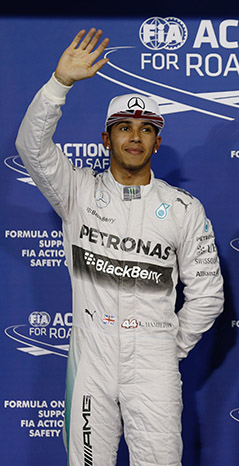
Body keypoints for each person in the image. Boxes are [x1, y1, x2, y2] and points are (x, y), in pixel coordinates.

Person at [15, 29, 224, 465]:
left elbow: (208, 295)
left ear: (157, 142)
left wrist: (167, 344)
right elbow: (31, 147)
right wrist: (59, 84)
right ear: (106, 139)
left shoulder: (183, 208)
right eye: (124, 128)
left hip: (154, 359)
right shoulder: (77, 191)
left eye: (146, 129)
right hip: (91, 355)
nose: (135, 137)